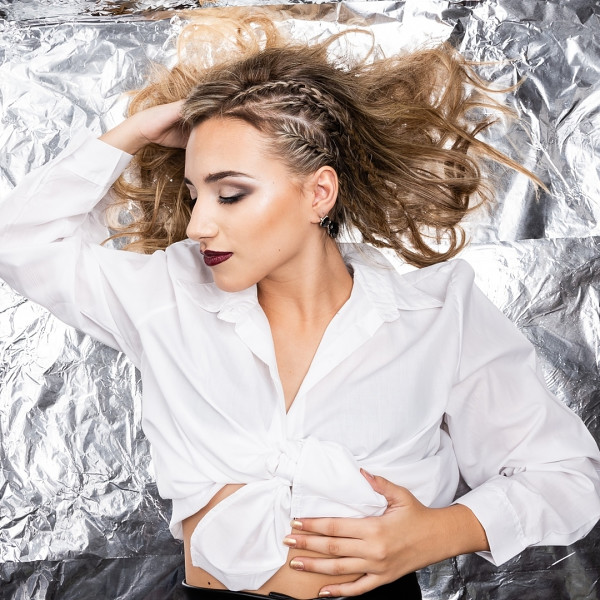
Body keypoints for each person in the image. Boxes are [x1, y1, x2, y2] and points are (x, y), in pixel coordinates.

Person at [1, 10, 599, 600]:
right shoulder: (166, 297)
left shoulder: (438, 314)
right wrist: (135, 131)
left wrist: (439, 533)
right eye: (194, 193)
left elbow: (567, 477)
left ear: (319, 192)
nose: (199, 224)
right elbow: (18, 241)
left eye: (230, 194)